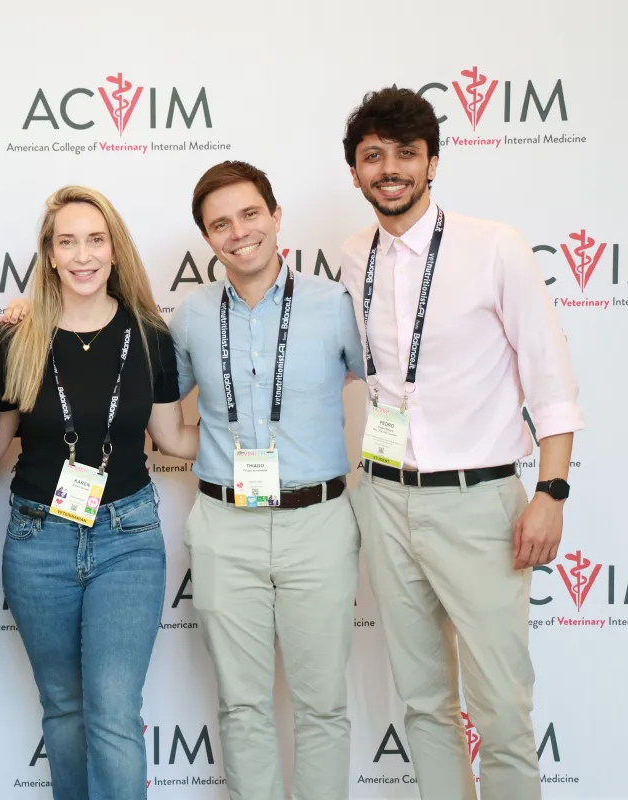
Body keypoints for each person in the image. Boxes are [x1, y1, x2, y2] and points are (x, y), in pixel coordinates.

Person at [338, 87, 583, 800]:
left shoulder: (493, 246)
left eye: (405, 154)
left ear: (432, 163)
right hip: (384, 500)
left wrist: (552, 493)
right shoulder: (356, 256)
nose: (390, 169)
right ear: (355, 172)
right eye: (373, 156)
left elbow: (551, 378)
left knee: (502, 707)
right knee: (423, 704)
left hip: (480, 504)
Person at [0, 186, 198, 800]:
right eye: (67, 242)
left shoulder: (150, 335)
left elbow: (171, 438)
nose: (82, 254)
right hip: (37, 539)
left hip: (126, 538)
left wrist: (261, 437)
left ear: (114, 249)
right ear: (49, 255)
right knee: (62, 708)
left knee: (112, 712)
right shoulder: (17, 340)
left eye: (95, 239)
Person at [170, 161, 364, 800]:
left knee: (323, 707)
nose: (239, 232)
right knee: (243, 706)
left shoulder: (334, 304)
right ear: (208, 237)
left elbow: (397, 389)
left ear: (276, 218)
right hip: (226, 527)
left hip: (319, 522)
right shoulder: (191, 314)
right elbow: (160, 415)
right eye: (220, 223)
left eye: (250, 214)